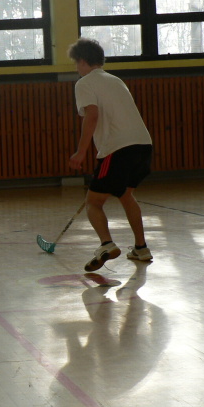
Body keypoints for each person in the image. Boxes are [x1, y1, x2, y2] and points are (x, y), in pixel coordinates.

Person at [67, 38, 154, 271]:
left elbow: (92, 115)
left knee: (93, 202)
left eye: (76, 63)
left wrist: (81, 151)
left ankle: (106, 244)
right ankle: (141, 248)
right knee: (126, 195)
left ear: (82, 61)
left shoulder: (84, 83)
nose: (76, 68)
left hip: (118, 149)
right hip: (144, 146)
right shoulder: (116, 80)